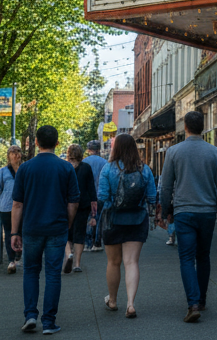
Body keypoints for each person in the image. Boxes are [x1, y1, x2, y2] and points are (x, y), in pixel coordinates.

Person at [158, 110, 217, 323]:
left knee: (186, 258)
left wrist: (164, 211)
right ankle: (202, 299)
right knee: (203, 256)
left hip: (184, 212)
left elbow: (166, 186)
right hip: (207, 212)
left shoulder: (173, 152)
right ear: (203, 126)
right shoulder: (214, 152)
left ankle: (193, 303)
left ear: (185, 128)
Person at [10, 126, 79, 335]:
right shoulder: (66, 168)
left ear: (37, 143)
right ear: (57, 143)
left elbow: (18, 204)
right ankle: (49, 322)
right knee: (52, 274)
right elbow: (73, 202)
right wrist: (67, 224)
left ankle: (30, 315)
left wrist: (14, 232)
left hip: (31, 228)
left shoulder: (25, 168)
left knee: (30, 271)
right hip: (57, 228)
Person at [98, 133, 156, 318]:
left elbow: (102, 196)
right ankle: (130, 304)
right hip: (137, 219)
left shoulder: (108, 169)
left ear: (116, 149)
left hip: (113, 220)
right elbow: (153, 196)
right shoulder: (144, 169)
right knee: (131, 262)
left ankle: (113, 301)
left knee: (113, 262)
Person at [63, 144, 98, 274]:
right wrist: (94, 209)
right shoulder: (86, 168)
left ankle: (68, 254)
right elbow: (91, 188)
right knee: (80, 233)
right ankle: (77, 263)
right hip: (83, 205)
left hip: (66, 205)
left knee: (65, 231)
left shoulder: (64, 167)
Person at [0, 145, 23, 274]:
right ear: (8, 156)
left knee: (21, 231)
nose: (16, 155)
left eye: (18, 152)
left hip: (22, 206)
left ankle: (19, 251)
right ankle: (11, 260)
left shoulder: (25, 169)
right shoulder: (3, 171)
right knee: (9, 233)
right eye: (13, 153)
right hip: (6, 206)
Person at [84, 140, 108, 251]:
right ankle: (97, 243)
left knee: (88, 217)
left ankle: (87, 243)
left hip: (87, 195)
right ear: (99, 149)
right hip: (101, 194)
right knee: (99, 218)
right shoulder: (105, 162)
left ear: (89, 150)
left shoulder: (84, 162)